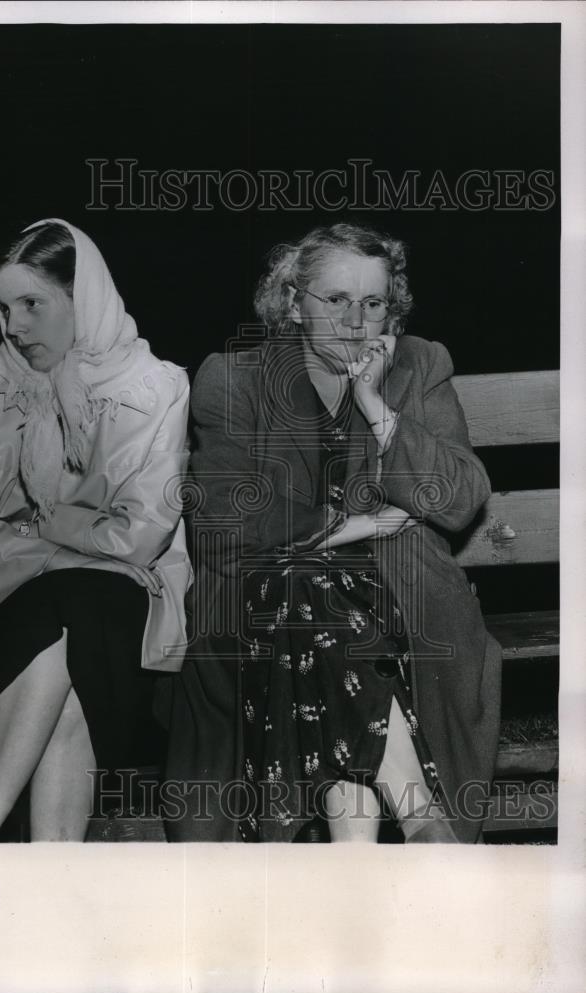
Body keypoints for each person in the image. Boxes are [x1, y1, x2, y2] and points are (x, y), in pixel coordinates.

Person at [162, 222, 501, 843]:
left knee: (314, 604)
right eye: (335, 300)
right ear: (293, 303)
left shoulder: (419, 365)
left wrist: (379, 411)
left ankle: (355, 861)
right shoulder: (233, 379)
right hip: (258, 603)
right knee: (307, 594)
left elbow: (457, 500)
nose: (355, 320)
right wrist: (362, 524)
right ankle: (423, 817)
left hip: (398, 593)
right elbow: (227, 520)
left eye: (372, 303)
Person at [0, 219, 191, 841]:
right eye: (2, 309)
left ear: (86, 299)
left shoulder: (155, 387)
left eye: (32, 304)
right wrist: (46, 556)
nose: (13, 327)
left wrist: (47, 525)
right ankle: (46, 863)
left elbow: (141, 533)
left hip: (124, 599)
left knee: (78, 609)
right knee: (66, 610)